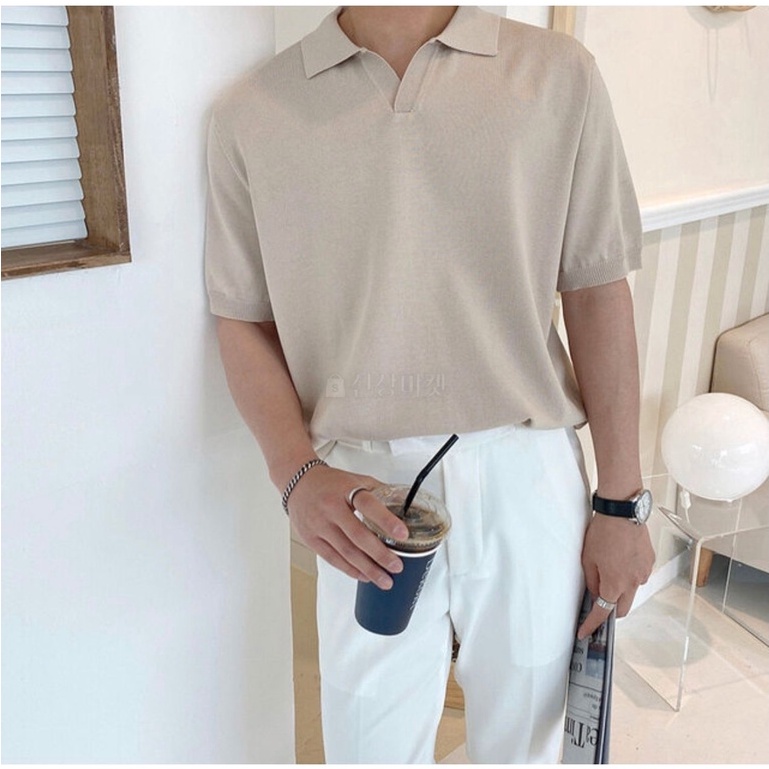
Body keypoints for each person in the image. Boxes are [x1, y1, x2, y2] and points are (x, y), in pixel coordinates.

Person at [204, 6, 655, 764]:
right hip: (361, 489)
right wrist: (293, 472)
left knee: (531, 745)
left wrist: (621, 501)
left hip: (526, 467)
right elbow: (241, 316)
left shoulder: (557, 74)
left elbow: (595, 287)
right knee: (367, 746)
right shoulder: (252, 112)